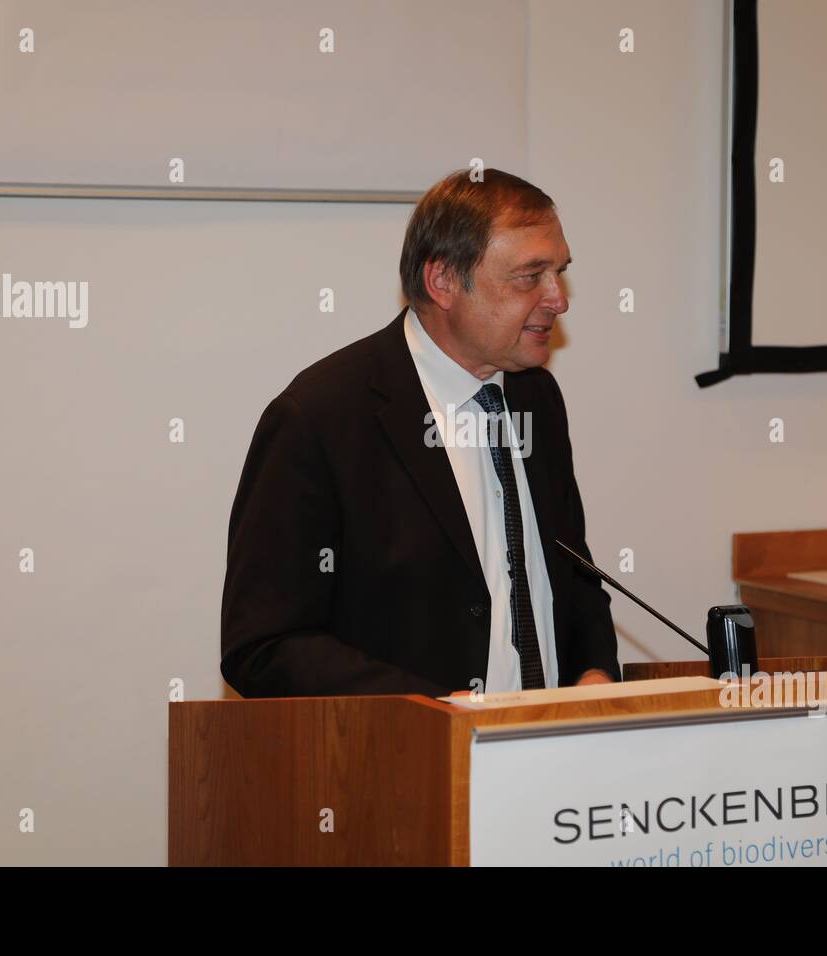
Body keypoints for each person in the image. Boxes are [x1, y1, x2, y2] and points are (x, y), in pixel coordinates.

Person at [220, 169, 620, 698]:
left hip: (546, 757)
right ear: (443, 281)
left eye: (559, 273)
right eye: (531, 276)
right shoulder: (321, 417)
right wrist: (427, 713)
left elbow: (572, 574)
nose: (558, 299)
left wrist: (593, 673)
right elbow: (265, 645)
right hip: (406, 765)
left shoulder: (536, 398)